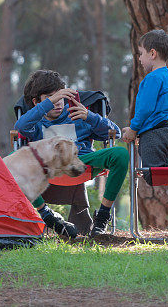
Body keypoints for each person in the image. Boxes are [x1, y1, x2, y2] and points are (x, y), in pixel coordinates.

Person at [15, 70, 128, 238]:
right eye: (51, 97)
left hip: (82, 162)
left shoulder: (77, 113)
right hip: (49, 167)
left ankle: (103, 216)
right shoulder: (36, 122)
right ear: (37, 101)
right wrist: (48, 103)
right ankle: (46, 214)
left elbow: (116, 133)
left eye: (60, 96)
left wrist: (90, 117)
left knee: (120, 154)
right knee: (14, 160)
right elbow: (20, 127)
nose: (58, 102)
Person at [120, 30, 168, 169]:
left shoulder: (153, 78)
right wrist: (136, 129)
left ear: (152, 53)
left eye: (141, 54)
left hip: (153, 135)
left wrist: (133, 129)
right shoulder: (166, 75)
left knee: (152, 173)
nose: (139, 59)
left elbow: (146, 109)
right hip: (166, 131)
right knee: (165, 173)